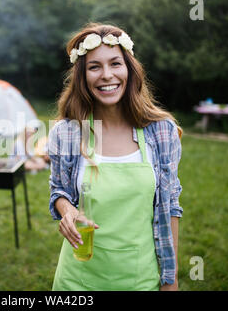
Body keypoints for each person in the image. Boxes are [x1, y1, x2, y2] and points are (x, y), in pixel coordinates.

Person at [48, 23, 183, 291]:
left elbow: (170, 207)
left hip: (140, 279)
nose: (107, 75)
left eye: (115, 64)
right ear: (82, 75)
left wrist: (170, 280)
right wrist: (66, 210)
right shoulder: (67, 133)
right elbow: (59, 191)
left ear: (129, 70)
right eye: (94, 67)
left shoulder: (161, 132)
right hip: (77, 281)